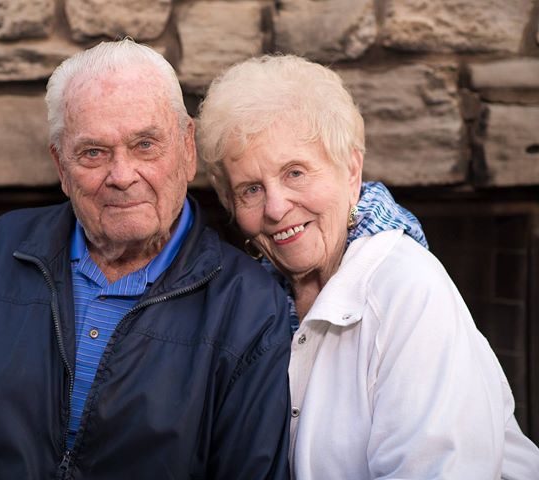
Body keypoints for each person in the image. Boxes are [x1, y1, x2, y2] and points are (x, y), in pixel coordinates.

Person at [0, 40, 292, 479]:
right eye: (93, 153)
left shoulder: (249, 309)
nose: (121, 176)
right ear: (61, 167)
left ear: (186, 148)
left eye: (145, 145)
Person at [196, 54, 539, 479]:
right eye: (250, 189)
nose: (276, 207)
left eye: (296, 172)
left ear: (351, 170)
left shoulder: (407, 289)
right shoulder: (258, 302)